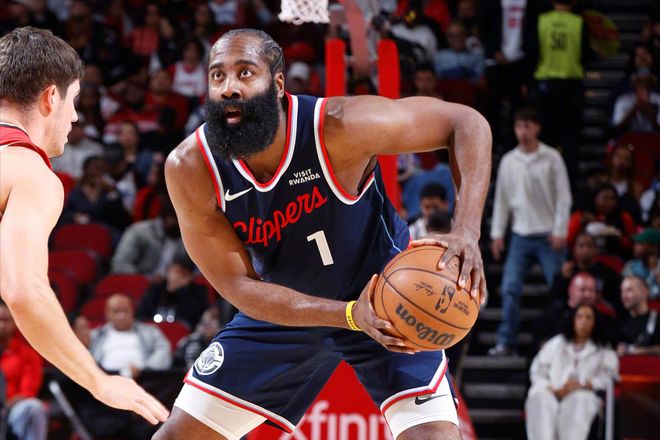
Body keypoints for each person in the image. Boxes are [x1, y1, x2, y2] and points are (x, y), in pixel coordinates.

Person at [154, 28, 491, 440]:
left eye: (245, 73)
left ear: (278, 84)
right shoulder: (191, 168)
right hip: (285, 310)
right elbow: (237, 286)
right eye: (217, 75)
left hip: (387, 298)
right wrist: (347, 315)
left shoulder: (339, 127)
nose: (229, 88)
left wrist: (466, 230)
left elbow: (465, 122)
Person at [0, 27, 167, 425]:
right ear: (50, 97)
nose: (75, 116)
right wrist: (98, 380)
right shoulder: (29, 171)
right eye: (73, 100)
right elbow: (23, 291)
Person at [489, 108, 572, 356]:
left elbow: (563, 196)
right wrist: (497, 234)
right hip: (520, 234)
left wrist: (560, 229)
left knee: (559, 287)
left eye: (527, 125)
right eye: (519, 126)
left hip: (549, 234)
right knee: (510, 288)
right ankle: (506, 341)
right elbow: (502, 200)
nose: (523, 131)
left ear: (537, 127)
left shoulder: (552, 157)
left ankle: (563, 338)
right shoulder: (509, 160)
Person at [525, 304, 618, 440]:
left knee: (580, 400)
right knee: (539, 397)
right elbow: (537, 370)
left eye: (589, 317)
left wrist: (585, 384)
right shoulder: (557, 343)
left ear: (595, 322)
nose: (584, 321)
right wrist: (549, 387)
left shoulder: (603, 349)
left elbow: (609, 378)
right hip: (553, 391)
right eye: (580, 317)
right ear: (573, 320)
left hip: (583, 393)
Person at [530, 0, 591, 183]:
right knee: (570, 141)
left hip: (546, 85)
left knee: (545, 138)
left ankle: (543, 181)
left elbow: (533, 52)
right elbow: (586, 55)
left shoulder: (541, 20)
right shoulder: (579, 22)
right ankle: (569, 185)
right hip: (571, 85)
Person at [0, 301, 48, 440]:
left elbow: (27, 392)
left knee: (34, 407)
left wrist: (4, 408)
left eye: (6, 320)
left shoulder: (27, 355)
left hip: (12, 411)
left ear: (14, 324)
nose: (1, 325)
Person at [137, 252, 209, 329]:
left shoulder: (197, 293)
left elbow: (193, 321)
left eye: (180, 273)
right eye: (172, 271)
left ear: (189, 277)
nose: (174, 276)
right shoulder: (156, 288)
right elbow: (142, 315)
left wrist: (183, 290)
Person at [616, 276, 660, 356]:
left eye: (629, 290)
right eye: (622, 291)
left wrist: (639, 351)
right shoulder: (617, 321)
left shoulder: (657, 320)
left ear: (644, 292)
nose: (623, 296)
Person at [621, 228, 660, 299]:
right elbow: (631, 295)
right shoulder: (631, 266)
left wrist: (655, 269)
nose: (635, 246)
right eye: (636, 243)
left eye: (640, 243)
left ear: (653, 247)